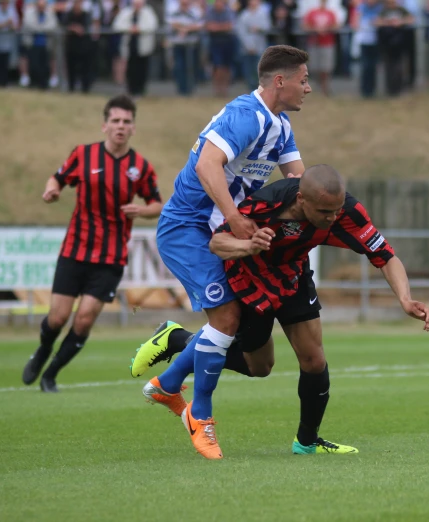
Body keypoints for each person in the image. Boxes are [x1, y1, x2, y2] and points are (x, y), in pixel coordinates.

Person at [134, 165, 429, 459]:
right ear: (302, 201)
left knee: (314, 359)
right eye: (324, 213)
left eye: (336, 210)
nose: (332, 219)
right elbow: (218, 242)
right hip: (250, 278)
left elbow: (384, 255)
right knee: (259, 367)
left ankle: (307, 441)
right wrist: (249, 245)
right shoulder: (266, 203)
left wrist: (405, 299)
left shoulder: (346, 213)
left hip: (293, 276)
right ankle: (179, 340)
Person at [151, 45, 310, 459]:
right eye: (303, 79)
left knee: (256, 352)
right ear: (281, 81)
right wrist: (235, 217)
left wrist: (327, 214)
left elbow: (298, 182)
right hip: (188, 227)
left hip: (221, 229)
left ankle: (168, 383)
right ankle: (198, 417)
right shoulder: (245, 115)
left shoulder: (280, 125)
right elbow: (207, 165)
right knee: (227, 316)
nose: (308, 88)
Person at [22, 95, 163, 392]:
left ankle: (50, 375)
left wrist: (142, 210)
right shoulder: (83, 155)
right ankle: (43, 350)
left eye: (126, 122)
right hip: (75, 249)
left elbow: (157, 204)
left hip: (111, 257)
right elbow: (57, 178)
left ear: (133, 128)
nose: (120, 127)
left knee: (84, 321)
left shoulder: (140, 167)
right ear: (104, 125)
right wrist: (52, 191)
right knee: (58, 317)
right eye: (115, 121)